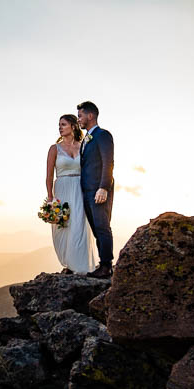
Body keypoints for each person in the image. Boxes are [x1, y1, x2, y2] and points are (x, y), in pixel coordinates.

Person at [45, 114, 98, 275]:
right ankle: (69, 262)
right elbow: (48, 176)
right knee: (63, 227)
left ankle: (79, 266)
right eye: (59, 125)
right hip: (62, 188)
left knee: (79, 225)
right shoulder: (54, 148)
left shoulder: (83, 146)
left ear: (73, 126)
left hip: (80, 188)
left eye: (63, 124)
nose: (60, 127)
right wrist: (50, 198)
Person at [76, 101, 114, 278]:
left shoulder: (102, 135)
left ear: (90, 116)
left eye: (80, 116)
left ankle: (106, 266)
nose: (79, 120)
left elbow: (108, 162)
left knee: (102, 226)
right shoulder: (86, 139)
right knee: (95, 227)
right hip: (87, 190)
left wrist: (104, 187)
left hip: (98, 190)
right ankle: (102, 264)